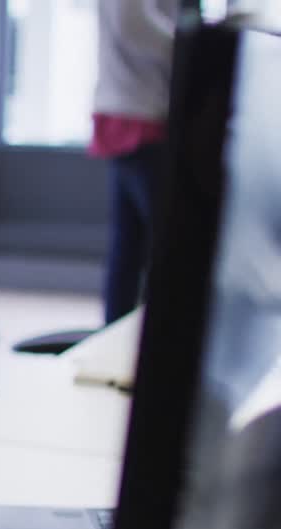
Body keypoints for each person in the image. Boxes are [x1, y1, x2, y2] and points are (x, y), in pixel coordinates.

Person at [91, 0, 179, 323]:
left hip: (131, 107)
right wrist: (193, 49)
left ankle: (119, 341)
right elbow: (133, 25)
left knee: (128, 250)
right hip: (140, 112)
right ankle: (158, 345)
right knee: (170, 244)